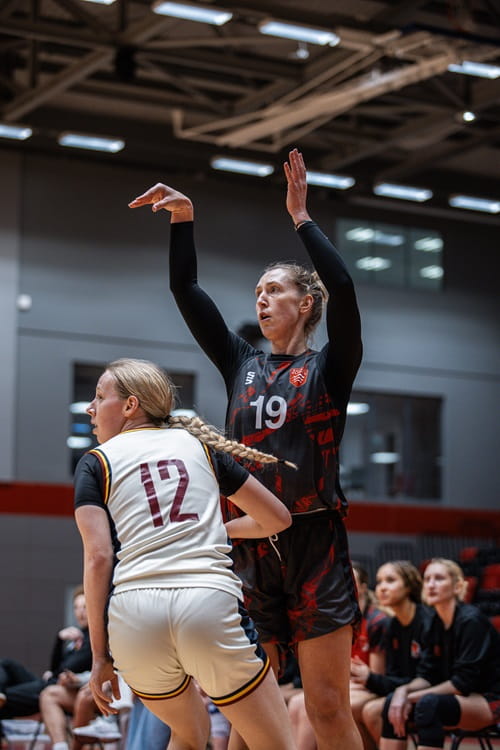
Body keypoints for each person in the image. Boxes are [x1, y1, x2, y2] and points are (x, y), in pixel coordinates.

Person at [129, 147, 364, 750]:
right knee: (247, 709)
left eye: (274, 290)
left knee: (329, 707)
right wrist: (184, 217)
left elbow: (342, 282)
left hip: (314, 542)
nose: (260, 299)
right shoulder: (241, 364)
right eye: (257, 291)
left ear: (305, 304)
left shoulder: (330, 367)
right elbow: (186, 287)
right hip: (253, 546)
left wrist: (301, 216)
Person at [74, 358, 297, 750]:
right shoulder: (197, 447)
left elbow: (98, 558)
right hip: (206, 602)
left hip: (133, 617)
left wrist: (99, 656)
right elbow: (277, 518)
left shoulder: (95, 462)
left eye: (98, 396)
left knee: (190, 736)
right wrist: (217, 532)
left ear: (130, 406)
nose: (90, 408)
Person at [378, 558, 500, 749]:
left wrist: (409, 698)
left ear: (458, 586)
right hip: (459, 698)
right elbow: (427, 675)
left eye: (439, 578)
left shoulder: (471, 621)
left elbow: (462, 683)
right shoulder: (434, 622)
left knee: (429, 704)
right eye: (427, 579)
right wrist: (402, 692)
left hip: (488, 699)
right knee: (391, 702)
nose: (431, 585)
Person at [286, 561, 388, 750]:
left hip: (368, 687)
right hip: (345, 684)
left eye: (349, 581)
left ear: (363, 588)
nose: (342, 585)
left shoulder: (376, 621)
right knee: (297, 702)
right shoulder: (338, 618)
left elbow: (375, 675)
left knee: (313, 704)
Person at [351, 560, 432, 749]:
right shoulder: (394, 625)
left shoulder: (427, 622)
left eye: (390, 580)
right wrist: (370, 678)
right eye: (379, 582)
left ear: (409, 586)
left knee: (373, 710)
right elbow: (395, 678)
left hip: (431, 691)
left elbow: (427, 678)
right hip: (404, 690)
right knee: (359, 708)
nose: (382, 588)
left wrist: (370, 678)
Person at [0, 587, 91, 720]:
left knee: (8, 698)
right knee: (6, 664)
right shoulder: (78, 637)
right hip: (47, 683)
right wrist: (59, 640)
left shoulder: (94, 639)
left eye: (84, 607)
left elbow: (67, 668)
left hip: (60, 689)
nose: (80, 612)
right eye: (76, 607)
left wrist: (55, 673)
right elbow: (55, 668)